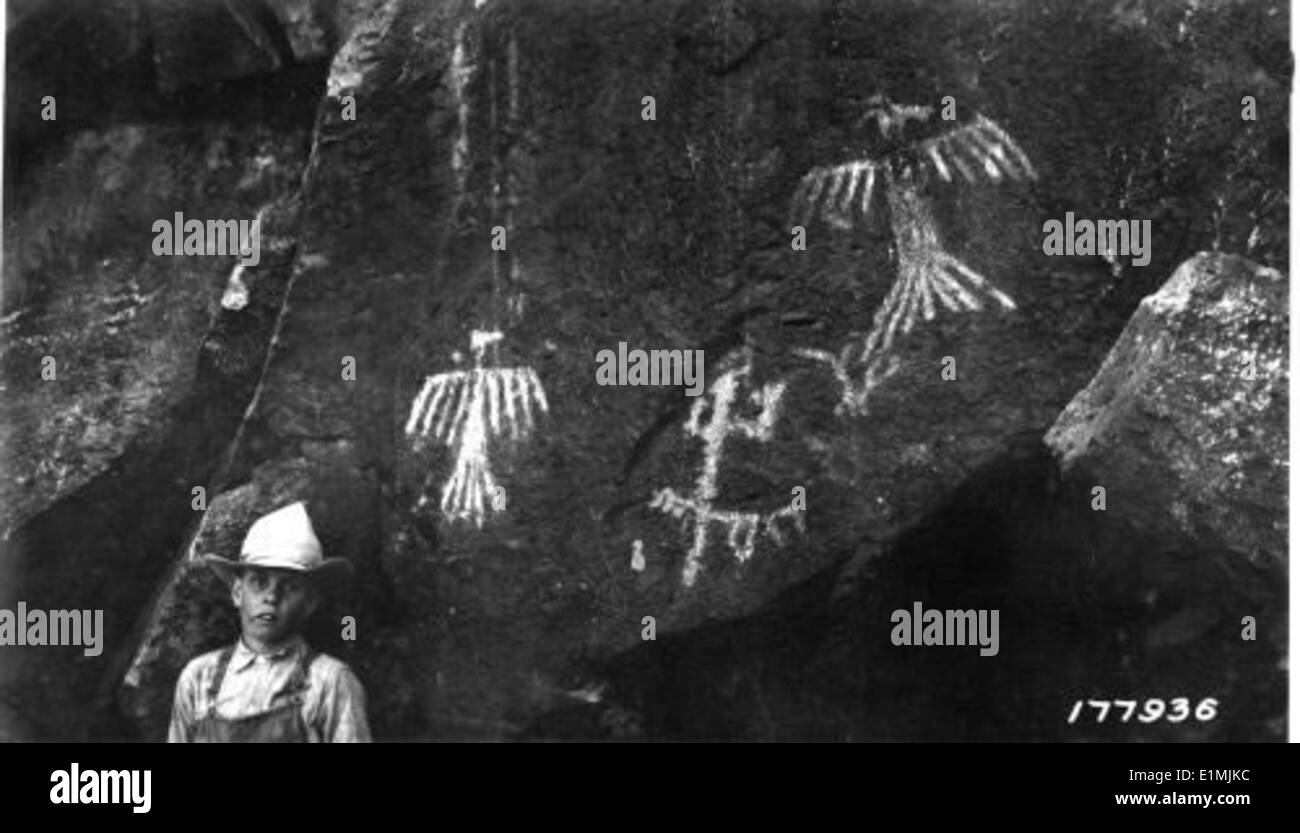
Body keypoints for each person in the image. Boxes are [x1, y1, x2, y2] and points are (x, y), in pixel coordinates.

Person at [168, 501, 371, 742]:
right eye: (259, 582)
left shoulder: (330, 681)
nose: (271, 597)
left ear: (310, 602)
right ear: (237, 593)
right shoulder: (199, 677)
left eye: (289, 586)